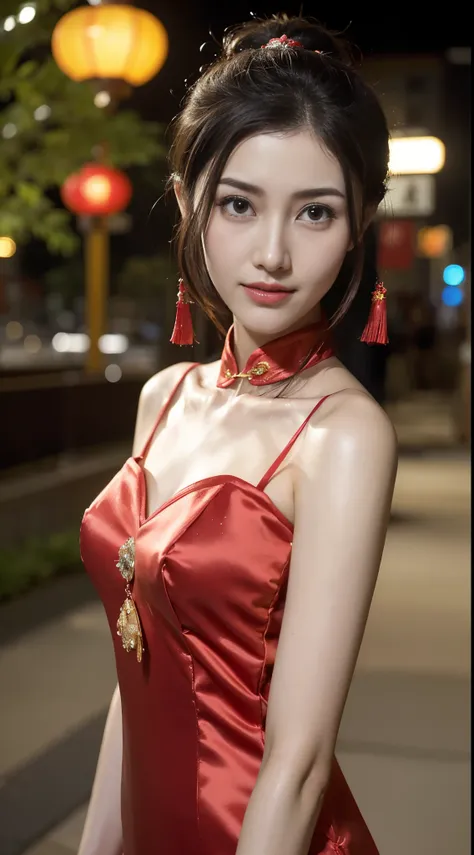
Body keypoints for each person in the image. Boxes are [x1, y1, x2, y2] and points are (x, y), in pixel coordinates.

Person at [78, 14, 398, 855]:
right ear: (189, 201)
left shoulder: (343, 435)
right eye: (239, 204)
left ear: (361, 221)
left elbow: (297, 761)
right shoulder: (164, 397)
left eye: (316, 213)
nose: (273, 253)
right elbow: (135, 668)